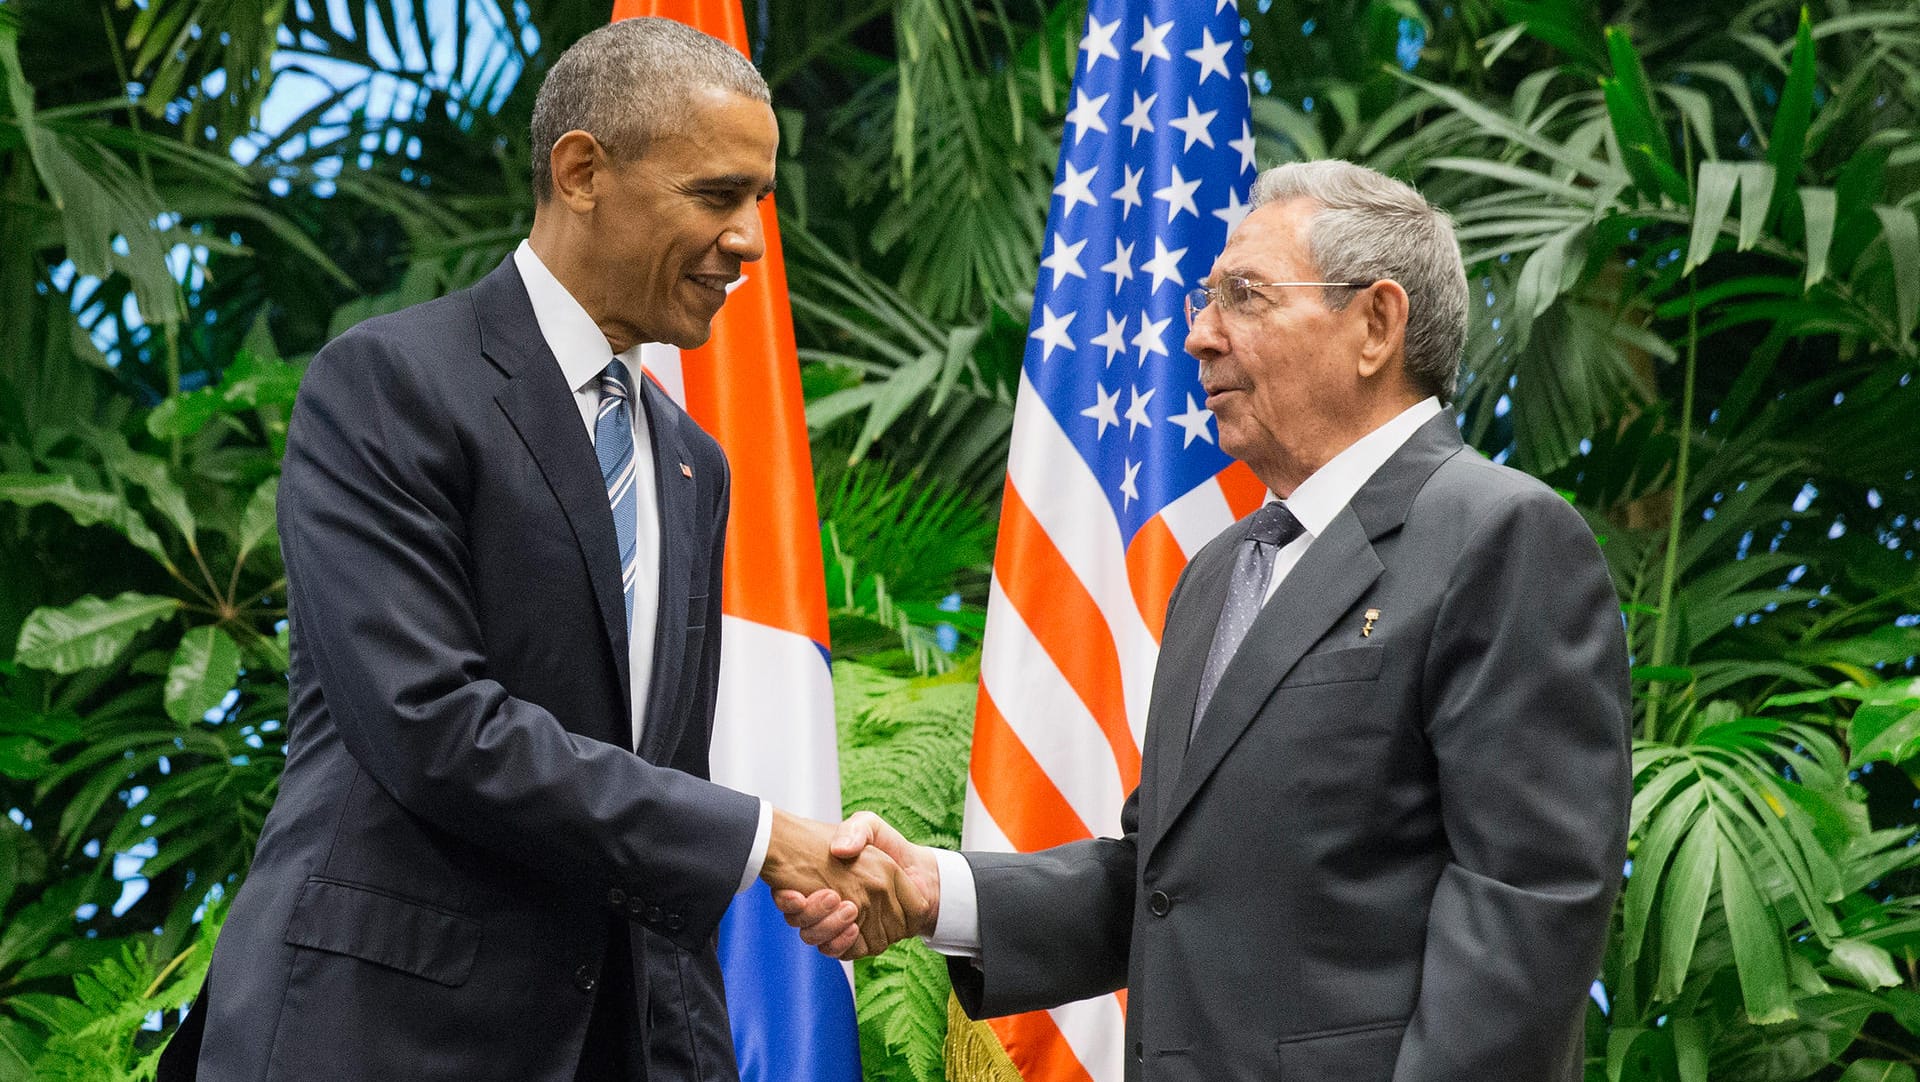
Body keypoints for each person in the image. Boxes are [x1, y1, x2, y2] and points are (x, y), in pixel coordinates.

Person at [159, 18, 920, 1082]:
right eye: (718, 194)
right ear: (582, 171)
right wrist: (758, 837)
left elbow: (655, 796)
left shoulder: (694, 462)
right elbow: (434, 726)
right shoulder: (391, 384)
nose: (751, 239)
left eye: (763, 200)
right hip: (373, 1037)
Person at [780, 160, 1631, 1080]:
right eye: (1204, 298)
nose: (1198, 336)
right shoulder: (1222, 570)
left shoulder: (1501, 535)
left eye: (1244, 296)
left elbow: (1525, 916)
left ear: (1376, 324)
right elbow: (1167, 880)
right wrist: (934, 892)